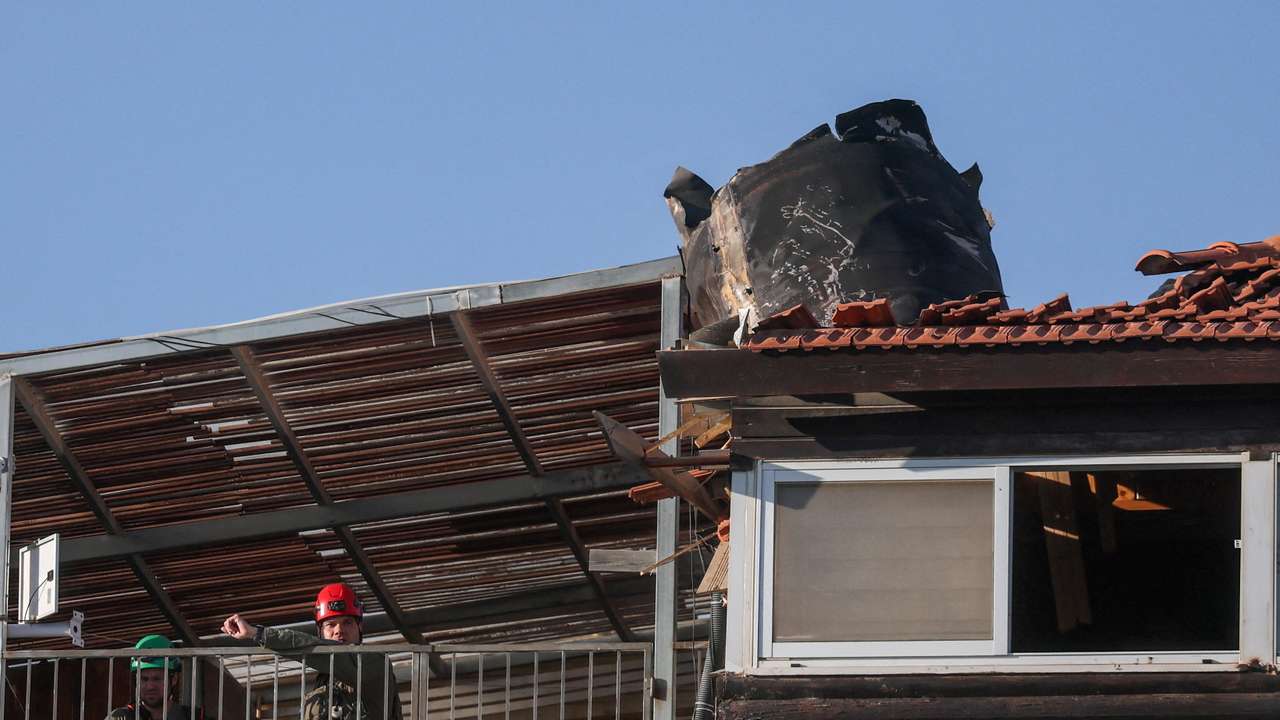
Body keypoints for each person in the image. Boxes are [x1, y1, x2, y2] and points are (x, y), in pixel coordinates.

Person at [221, 582, 402, 720]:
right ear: (320, 632)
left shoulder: (375, 663)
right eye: (331, 624)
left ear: (360, 627)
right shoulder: (323, 681)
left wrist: (258, 633)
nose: (339, 630)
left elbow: (322, 652)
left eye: (347, 622)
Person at [106, 634, 200, 720]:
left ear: (174, 679)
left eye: (157, 679)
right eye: (144, 679)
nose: (150, 686)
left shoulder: (195, 717)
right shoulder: (121, 717)